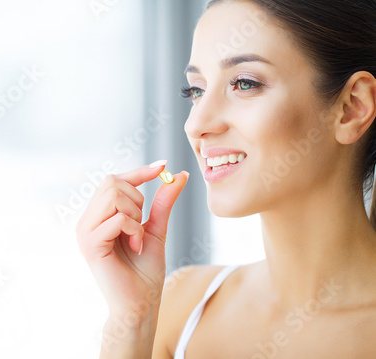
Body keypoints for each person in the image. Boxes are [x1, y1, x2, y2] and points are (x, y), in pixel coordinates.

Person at [76, 0, 376, 357]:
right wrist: (131, 323)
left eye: (244, 83)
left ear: (351, 108)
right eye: (196, 90)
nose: (196, 125)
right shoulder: (180, 308)